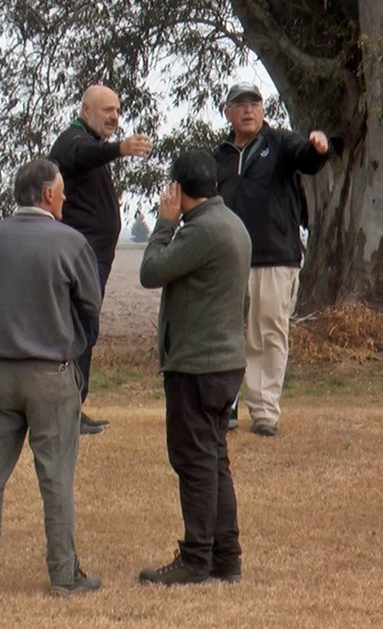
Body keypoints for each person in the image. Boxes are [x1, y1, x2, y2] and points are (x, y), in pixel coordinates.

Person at [0, 158, 103, 596]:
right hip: (49, 375)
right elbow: (90, 306)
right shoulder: (71, 242)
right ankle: (64, 575)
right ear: (47, 194)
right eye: (62, 190)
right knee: (56, 478)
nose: (65, 197)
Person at [137, 150, 251, 585]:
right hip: (225, 362)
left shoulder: (200, 232)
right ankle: (227, 556)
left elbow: (151, 271)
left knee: (194, 461)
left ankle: (196, 558)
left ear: (178, 189)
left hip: (198, 366)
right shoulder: (234, 225)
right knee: (214, 458)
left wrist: (165, 224)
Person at [214, 81, 330, 437]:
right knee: (226, 333)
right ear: (228, 112)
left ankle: (264, 411)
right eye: (240, 104)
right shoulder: (219, 156)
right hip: (228, 260)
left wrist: (318, 148)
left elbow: (307, 160)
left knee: (268, 333)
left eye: (255, 103)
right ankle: (225, 404)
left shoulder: (280, 144)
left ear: (263, 109)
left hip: (275, 257)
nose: (248, 109)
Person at [48, 84, 153, 435]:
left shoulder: (90, 144)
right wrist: (119, 149)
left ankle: (73, 407)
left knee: (84, 330)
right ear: (85, 111)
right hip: (82, 257)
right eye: (106, 110)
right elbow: (80, 158)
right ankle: (64, 411)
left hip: (95, 257)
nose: (114, 117)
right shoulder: (73, 142)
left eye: (117, 111)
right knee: (77, 330)